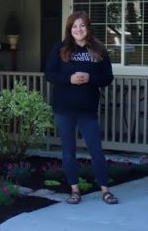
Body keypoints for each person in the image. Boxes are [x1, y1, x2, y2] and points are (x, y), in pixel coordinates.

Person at [43, 11, 118, 205]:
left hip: (87, 109)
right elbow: (49, 74)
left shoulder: (98, 49)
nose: (78, 29)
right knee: (68, 151)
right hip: (64, 108)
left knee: (96, 150)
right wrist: (69, 78)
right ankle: (75, 190)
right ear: (70, 29)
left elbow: (108, 77)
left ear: (88, 28)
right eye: (74, 26)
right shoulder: (60, 48)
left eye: (82, 25)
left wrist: (91, 78)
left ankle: (105, 190)